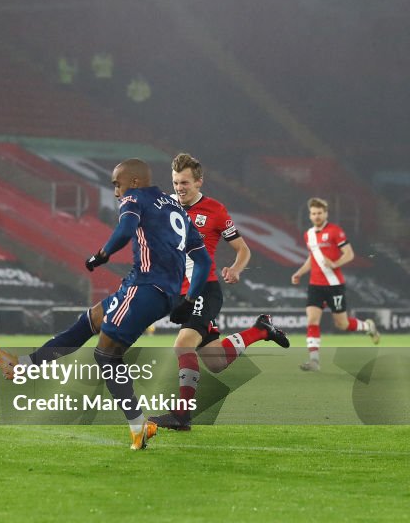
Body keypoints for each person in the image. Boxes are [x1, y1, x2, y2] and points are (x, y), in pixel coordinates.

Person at [0, 158, 213, 449]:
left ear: (133, 181)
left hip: (145, 286)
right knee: (91, 320)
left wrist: (102, 254)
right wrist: (188, 298)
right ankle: (22, 366)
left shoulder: (136, 197)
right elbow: (203, 260)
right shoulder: (175, 208)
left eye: (117, 183)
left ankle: (138, 425)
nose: (116, 191)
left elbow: (125, 229)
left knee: (107, 355)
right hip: (160, 291)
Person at [150, 154, 289, 431]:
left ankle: (181, 415)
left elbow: (243, 250)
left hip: (204, 289)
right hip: (180, 292)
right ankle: (261, 330)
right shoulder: (165, 207)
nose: (180, 187)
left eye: (185, 182)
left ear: (199, 181)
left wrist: (236, 268)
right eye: (176, 182)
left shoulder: (215, 210)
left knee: (182, 344)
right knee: (216, 361)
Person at [291, 197, 380, 371]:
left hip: (334, 285)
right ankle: (314, 361)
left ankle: (368, 326)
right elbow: (313, 257)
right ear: (310, 215)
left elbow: (349, 254)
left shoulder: (335, 231)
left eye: (319, 213)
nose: (316, 216)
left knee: (342, 324)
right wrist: (300, 272)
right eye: (313, 213)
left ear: (326, 214)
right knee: (312, 320)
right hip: (315, 285)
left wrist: (335, 263)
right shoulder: (308, 234)